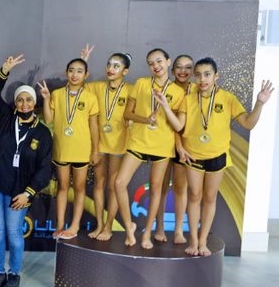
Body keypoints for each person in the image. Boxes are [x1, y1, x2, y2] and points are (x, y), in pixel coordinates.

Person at [179, 58, 273, 256]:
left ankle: (203, 241)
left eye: (207, 74)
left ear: (216, 76)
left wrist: (260, 103)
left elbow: (248, 124)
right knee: (194, 196)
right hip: (193, 156)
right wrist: (180, 147)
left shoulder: (228, 98)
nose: (202, 79)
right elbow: (178, 127)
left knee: (210, 198)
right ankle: (193, 240)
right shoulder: (188, 98)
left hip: (217, 156)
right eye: (198, 75)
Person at [0, 55, 52, 287]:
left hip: (20, 191)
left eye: (28, 100)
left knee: (13, 232)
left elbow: (44, 168)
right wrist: (4, 70)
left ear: (34, 103)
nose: (24, 104)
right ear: (15, 103)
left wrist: (28, 194)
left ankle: (14, 273)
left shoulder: (42, 133)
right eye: (20, 100)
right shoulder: (4, 119)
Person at [113, 48, 186, 249]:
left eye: (159, 61)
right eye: (151, 63)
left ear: (168, 62)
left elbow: (177, 125)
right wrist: (146, 119)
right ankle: (129, 227)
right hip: (138, 141)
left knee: (156, 190)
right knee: (119, 182)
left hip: (162, 146)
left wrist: (165, 106)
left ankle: (147, 233)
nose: (156, 66)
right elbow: (127, 114)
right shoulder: (141, 84)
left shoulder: (178, 92)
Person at [37, 58, 99, 240]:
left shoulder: (90, 97)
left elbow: (94, 127)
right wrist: (46, 99)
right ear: (66, 72)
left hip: (82, 150)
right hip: (62, 149)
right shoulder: (57, 94)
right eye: (71, 70)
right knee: (62, 187)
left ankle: (74, 225)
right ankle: (60, 225)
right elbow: (48, 119)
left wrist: (95, 151)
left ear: (86, 75)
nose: (75, 74)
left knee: (79, 188)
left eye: (79, 71)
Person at [79, 46, 135, 241]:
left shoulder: (131, 90)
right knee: (98, 184)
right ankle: (100, 224)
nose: (111, 68)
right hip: (100, 144)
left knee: (113, 186)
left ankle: (109, 226)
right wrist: (84, 60)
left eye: (116, 66)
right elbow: (78, 85)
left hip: (120, 144)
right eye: (109, 64)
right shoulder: (97, 87)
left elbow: (137, 112)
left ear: (125, 71)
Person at [154, 54, 194, 244]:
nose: (183, 71)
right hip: (164, 143)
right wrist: (177, 144)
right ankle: (159, 228)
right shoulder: (167, 88)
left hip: (186, 146)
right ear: (172, 69)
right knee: (160, 187)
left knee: (180, 187)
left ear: (193, 70)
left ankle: (178, 230)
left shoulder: (197, 90)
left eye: (187, 67)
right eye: (179, 67)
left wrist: (182, 145)